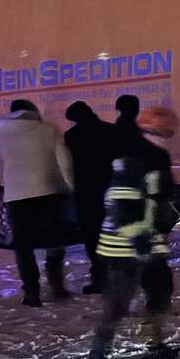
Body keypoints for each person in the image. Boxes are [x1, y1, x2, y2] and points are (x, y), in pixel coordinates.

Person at [85, 106, 180, 359]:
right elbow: (122, 200)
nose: (173, 130)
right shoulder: (140, 154)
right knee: (118, 302)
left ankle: (155, 343)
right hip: (126, 244)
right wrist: (137, 236)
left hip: (145, 240)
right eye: (168, 125)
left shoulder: (147, 152)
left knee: (160, 290)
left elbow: (156, 196)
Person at [0, 100, 74, 306]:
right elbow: (65, 163)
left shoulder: (1, 135)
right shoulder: (48, 130)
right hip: (48, 193)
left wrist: (11, 179)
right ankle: (57, 287)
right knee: (54, 241)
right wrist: (69, 187)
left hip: (16, 197)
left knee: (23, 247)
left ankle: (32, 293)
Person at [64, 102, 116, 294]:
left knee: (91, 236)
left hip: (85, 192)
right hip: (108, 188)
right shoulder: (109, 130)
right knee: (110, 234)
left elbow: (68, 165)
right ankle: (115, 275)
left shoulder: (71, 136)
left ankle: (99, 277)